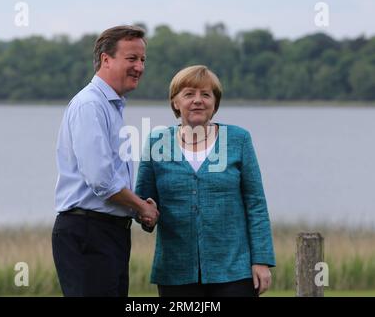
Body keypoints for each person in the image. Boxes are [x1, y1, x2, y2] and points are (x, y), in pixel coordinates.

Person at [135, 65, 275, 297]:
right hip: (175, 272)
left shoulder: (239, 139)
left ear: (215, 103)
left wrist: (261, 260)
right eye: (189, 94)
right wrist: (145, 215)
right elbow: (143, 202)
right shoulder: (156, 142)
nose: (198, 100)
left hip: (234, 271)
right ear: (175, 103)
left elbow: (256, 204)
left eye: (206, 94)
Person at [52, 25, 159, 297]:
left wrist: (136, 210)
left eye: (143, 60)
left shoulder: (111, 106)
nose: (139, 67)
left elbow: (112, 180)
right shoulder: (91, 105)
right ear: (106, 59)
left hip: (107, 234)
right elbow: (102, 181)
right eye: (131, 58)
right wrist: (141, 208)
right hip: (89, 233)